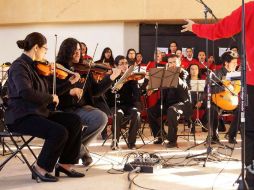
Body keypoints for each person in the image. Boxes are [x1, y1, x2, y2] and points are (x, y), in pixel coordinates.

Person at [182, 2, 254, 188]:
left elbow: (221, 29)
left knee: (251, 132)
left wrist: (195, 28)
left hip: (253, 82)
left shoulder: (251, 8)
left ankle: (250, 180)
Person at [5, 32, 84, 182]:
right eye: (45, 49)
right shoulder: (18, 66)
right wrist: (50, 98)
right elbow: (26, 92)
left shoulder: (37, 67)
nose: (46, 53)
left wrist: (69, 83)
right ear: (36, 48)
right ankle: (40, 168)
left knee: (74, 121)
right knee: (58, 131)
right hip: (21, 116)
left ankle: (65, 164)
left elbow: (50, 92)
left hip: (38, 112)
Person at [56, 38, 121, 166]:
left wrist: (111, 78)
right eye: (74, 50)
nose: (78, 53)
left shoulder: (85, 69)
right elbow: (53, 91)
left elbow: (95, 91)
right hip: (64, 108)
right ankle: (81, 151)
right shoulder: (58, 68)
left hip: (81, 108)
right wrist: (70, 91)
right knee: (72, 123)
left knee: (101, 118)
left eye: (79, 50)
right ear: (66, 51)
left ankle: (77, 148)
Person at [147, 54, 193, 148]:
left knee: (172, 110)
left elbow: (185, 88)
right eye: (170, 63)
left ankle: (172, 140)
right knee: (150, 111)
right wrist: (153, 88)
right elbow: (161, 86)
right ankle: (160, 136)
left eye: (174, 62)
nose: (172, 64)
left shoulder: (185, 74)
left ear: (179, 63)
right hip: (167, 103)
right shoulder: (165, 74)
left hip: (182, 103)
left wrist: (176, 77)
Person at [105, 55, 141, 150]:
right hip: (115, 106)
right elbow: (107, 97)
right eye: (121, 64)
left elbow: (137, 96)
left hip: (129, 106)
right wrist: (115, 88)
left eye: (126, 63)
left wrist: (135, 83)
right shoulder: (112, 78)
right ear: (116, 66)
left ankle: (131, 142)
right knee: (118, 113)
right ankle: (115, 141)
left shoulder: (131, 78)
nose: (125, 66)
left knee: (136, 113)